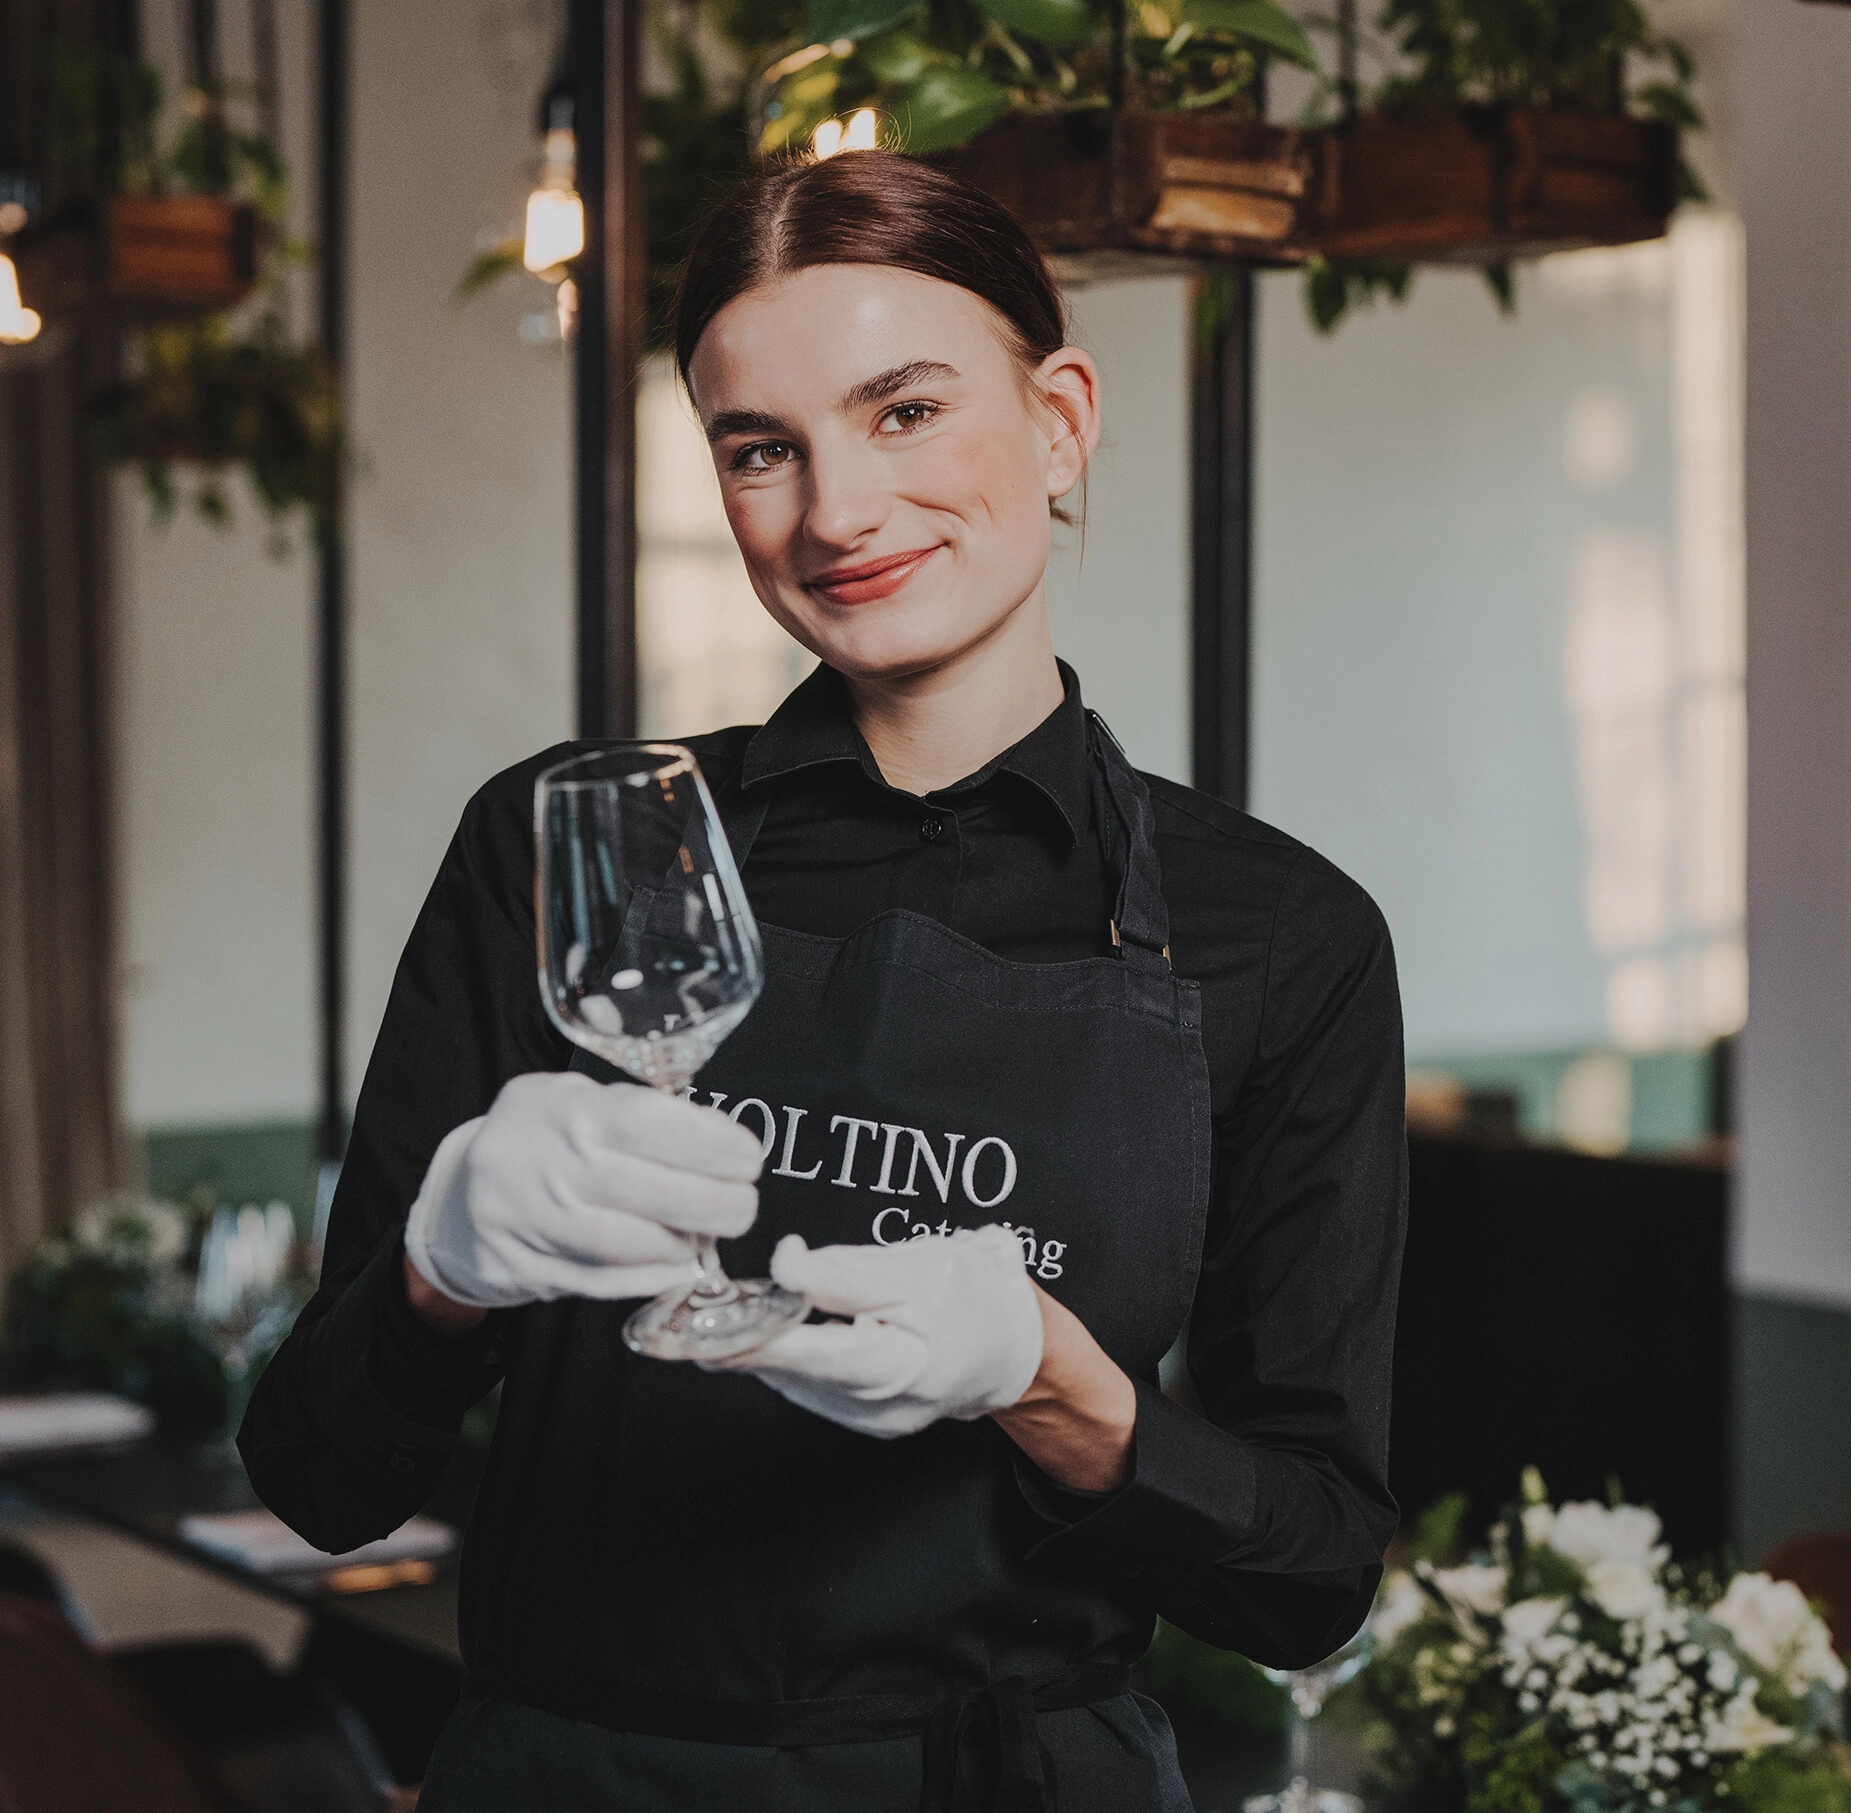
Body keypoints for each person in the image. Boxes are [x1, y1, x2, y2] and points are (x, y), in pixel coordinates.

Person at [241, 148, 1407, 1812]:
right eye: (760, 449)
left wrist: (1048, 1379)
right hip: (576, 1775)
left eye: (907, 411)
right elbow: (316, 1482)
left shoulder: (1278, 935)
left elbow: (1306, 1581)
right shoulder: (580, 847)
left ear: (1062, 420)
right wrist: (442, 1270)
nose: (837, 512)